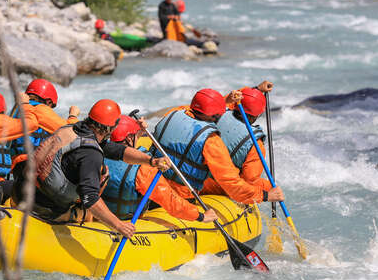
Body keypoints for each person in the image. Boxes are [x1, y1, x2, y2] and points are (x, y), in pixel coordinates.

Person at [12, 99, 169, 239]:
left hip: (20, 194)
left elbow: (117, 150)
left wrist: (151, 161)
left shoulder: (72, 129)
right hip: (44, 210)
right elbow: (90, 199)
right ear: (109, 128)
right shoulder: (90, 155)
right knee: (100, 183)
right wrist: (119, 225)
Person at [153, 88, 285, 206]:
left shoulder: (173, 113)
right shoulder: (211, 141)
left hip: (153, 183)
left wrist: (254, 89)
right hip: (183, 193)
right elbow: (235, 184)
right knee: (266, 186)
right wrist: (266, 196)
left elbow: (200, 106)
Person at [101, 115, 218, 222]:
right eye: (136, 135)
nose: (139, 136)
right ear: (129, 139)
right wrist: (201, 216)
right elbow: (171, 202)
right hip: (126, 220)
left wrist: (139, 131)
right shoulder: (142, 169)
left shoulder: (96, 153)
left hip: (100, 217)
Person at [201, 87, 274, 197]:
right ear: (256, 116)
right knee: (269, 187)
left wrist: (258, 88)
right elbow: (250, 181)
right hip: (214, 188)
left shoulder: (216, 113)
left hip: (191, 176)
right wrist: (270, 188)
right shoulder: (255, 143)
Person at [10, 78, 80, 156]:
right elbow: (71, 132)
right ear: (48, 101)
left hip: (14, 161)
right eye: (51, 106)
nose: (50, 110)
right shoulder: (39, 108)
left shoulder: (16, 109)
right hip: (30, 163)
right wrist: (73, 115)